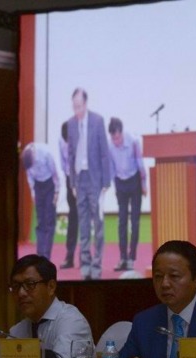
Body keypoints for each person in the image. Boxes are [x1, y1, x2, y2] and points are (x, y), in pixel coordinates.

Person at [0, 254, 97, 358]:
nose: (21, 293)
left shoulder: (71, 320)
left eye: (30, 284)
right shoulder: (19, 329)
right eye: (16, 286)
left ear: (51, 287)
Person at [67, 88, 111, 280]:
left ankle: (97, 264)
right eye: (74, 106)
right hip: (80, 179)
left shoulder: (97, 121)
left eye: (79, 106)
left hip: (95, 180)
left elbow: (104, 152)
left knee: (98, 224)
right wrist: (73, 183)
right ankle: (85, 263)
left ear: (85, 104)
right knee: (83, 223)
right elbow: (70, 155)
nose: (76, 109)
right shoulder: (70, 124)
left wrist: (106, 182)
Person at [107, 117, 147, 272]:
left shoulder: (133, 141)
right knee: (122, 221)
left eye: (117, 137)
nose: (116, 141)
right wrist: (110, 184)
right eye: (113, 138)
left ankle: (132, 258)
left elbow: (140, 164)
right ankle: (122, 257)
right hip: (120, 183)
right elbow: (111, 167)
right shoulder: (110, 146)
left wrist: (144, 185)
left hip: (135, 181)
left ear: (121, 133)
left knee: (134, 221)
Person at [21, 142, 60, 260]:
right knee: (40, 221)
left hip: (49, 185)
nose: (33, 167)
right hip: (38, 186)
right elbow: (30, 178)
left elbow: (55, 174)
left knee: (49, 221)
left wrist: (57, 192)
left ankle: (46, 255)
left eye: (33, 164)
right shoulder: (26, 158)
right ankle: (40, 254)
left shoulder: (45, 153)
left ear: (34, 155)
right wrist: (33, 193)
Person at [58, 122, 78, 269]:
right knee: (73, 217)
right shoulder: (61, 140)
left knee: (85, 220)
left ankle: (87, 259)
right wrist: (70, 182)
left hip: (83, 180)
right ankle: (69, 257)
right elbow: (63, 162)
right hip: (69, 178)